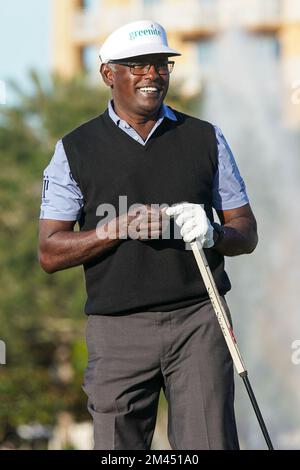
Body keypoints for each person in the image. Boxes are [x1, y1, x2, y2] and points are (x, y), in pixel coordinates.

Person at [39, 20, 258, 450]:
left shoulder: (205, 138)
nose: (152, 75)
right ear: (109, 74)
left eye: (161, 65)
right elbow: (50, 252)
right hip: (116, 328)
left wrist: (213, 233)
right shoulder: (74, 149)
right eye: (137, 66)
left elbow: (245, 231)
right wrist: (116, 229)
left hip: (200, 319)